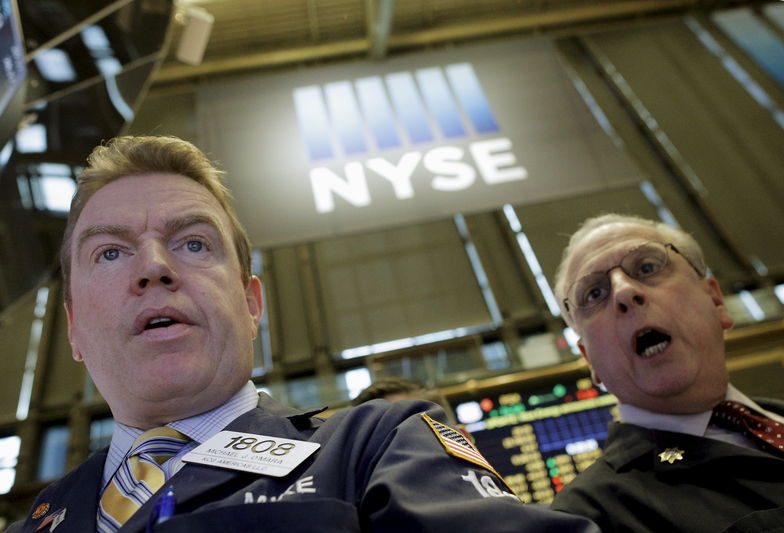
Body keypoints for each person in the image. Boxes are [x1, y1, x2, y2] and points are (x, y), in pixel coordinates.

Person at [9, 136, 598, 533]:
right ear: (74, 330)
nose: (153, 268)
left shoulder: (378, 447)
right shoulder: (33, 523)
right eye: (110, 252)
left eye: (193, 243)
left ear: (250, 302)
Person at [549, 213, 784, 532]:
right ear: (589, 360)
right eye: (595, 293)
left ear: (715, 300)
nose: (624, 291)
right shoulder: (589, 518)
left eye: (647, 267)